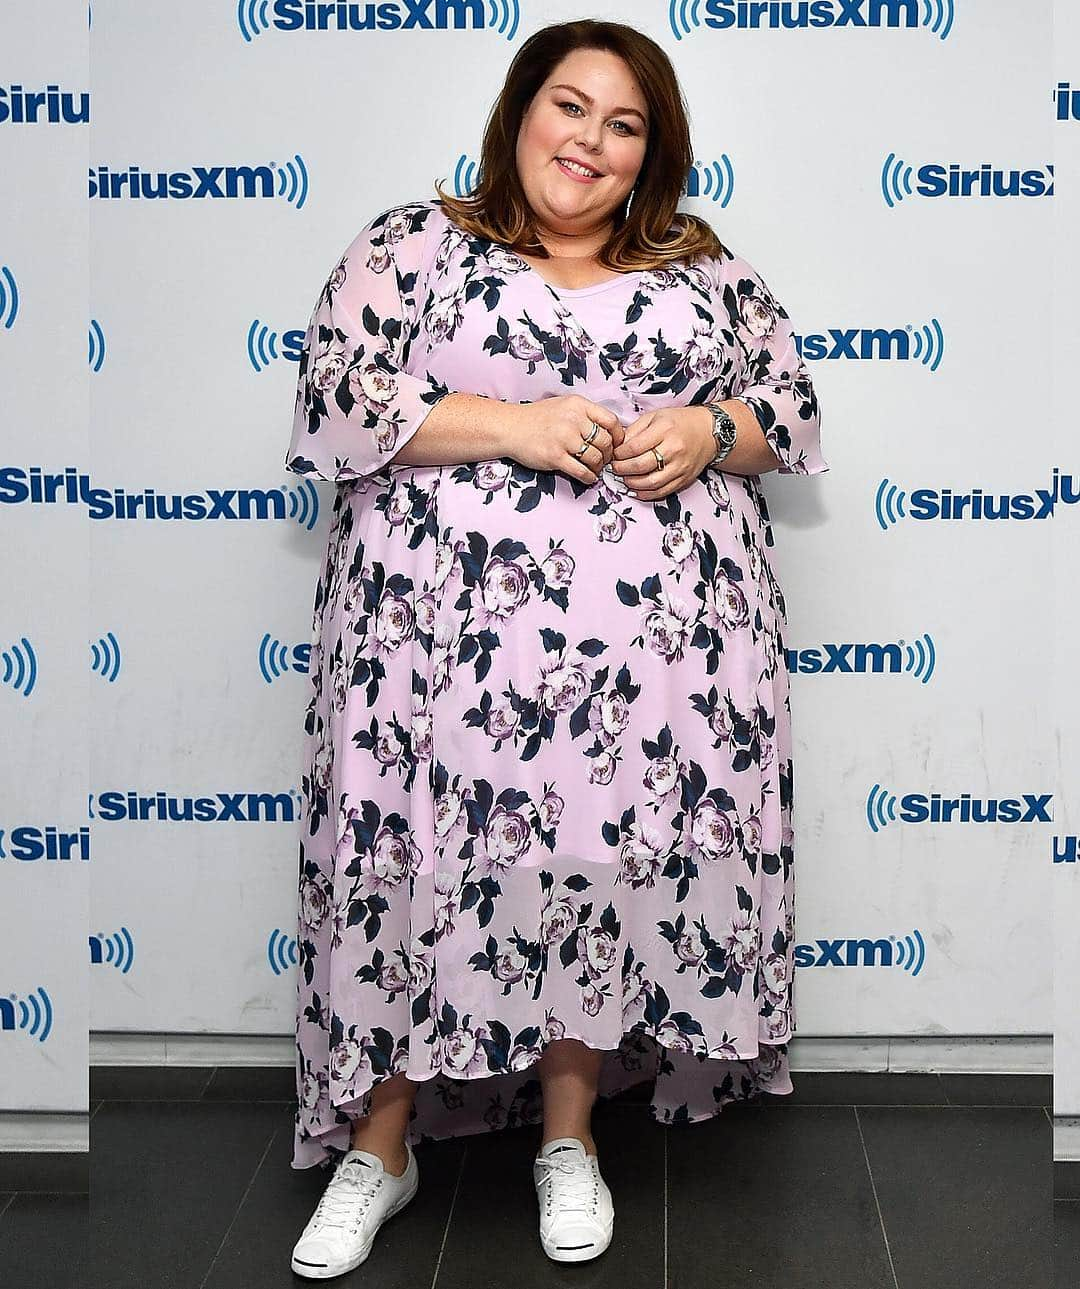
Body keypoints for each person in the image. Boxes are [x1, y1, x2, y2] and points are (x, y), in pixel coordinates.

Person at [284, 17, 828, 1279]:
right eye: (569, 106)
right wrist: (513, 425)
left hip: (647, 676)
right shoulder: (415, 246)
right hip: (431, 657)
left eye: (624, 124)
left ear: (651, 155)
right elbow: (336, 395)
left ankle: (568, 1136)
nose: (588, 140)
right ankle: (382, 1142)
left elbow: (789, 410)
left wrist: (711, 428)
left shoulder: (701, 269)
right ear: (519, 111)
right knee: (410, 863)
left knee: (588, 862)